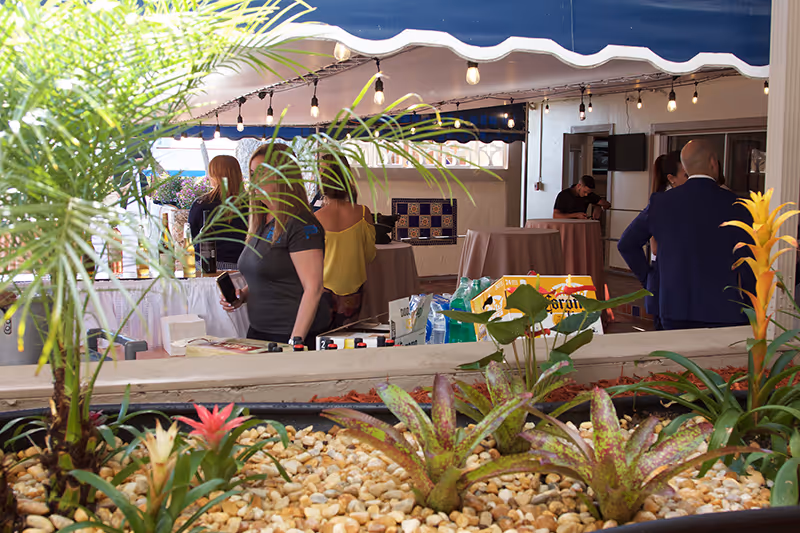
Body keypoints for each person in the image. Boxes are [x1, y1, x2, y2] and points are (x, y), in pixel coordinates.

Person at [617, 139, 754, 330]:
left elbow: (626, 244)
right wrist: (752, 305)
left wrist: (649, 279)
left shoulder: (661, 203)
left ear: (687, 168)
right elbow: (749, 260)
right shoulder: (737, 205)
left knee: (676, 359)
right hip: (723, 310)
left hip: (673, 308)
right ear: (713, 162)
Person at [220, 143, 330, 347]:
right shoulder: (261, 221)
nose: (254, 182)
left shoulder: (300, 223)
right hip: (260, 332)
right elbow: (272, 275)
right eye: (252, 174)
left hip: (290, 334)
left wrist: (294, 342)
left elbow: (313, 288)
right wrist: (241, 295)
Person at [314, 154, 377, 328]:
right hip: (354, 292)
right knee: (349, 338)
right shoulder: (364, 213)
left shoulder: (314, 219)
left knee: (323, 340)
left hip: (323, 291)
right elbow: (370, 255)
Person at [642, 151, 688, 330]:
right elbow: (653, 246)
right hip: (663, 272)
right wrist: (646, 276)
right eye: (686, 175)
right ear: (672, 178)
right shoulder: (663, 202)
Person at [189, 155, 248, 269]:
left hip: (205, 265)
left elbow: (194, 236)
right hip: (241, 266)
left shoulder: (201, 203)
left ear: (214, 175)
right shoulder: (252, 203)